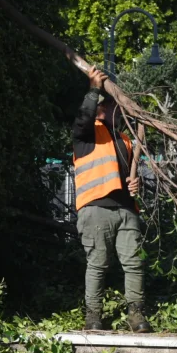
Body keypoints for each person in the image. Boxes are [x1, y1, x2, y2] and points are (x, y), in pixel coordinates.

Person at [72, 67, 152, 333]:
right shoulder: (87, 133)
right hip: (96, 208)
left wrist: (134, 183)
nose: (118, 109)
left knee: (134, 262)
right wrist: (93, 89)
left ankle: (136, 315)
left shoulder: (125, 140)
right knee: (97, 264)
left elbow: (125, 173)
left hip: (126, 208)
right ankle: (93, 317)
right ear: (101, 109)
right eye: (112, 105)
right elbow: (83, 116)